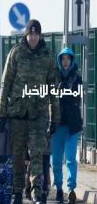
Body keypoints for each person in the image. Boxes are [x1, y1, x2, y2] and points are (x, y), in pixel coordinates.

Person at [0, 19, 60, 204]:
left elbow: (53, 89)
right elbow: (5, 83)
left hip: (39, 113)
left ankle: (36, 191)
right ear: (26, 35)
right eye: (30, 34)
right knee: (18, 154)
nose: (33, 37)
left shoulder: (47, 56)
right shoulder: (16, 53)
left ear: (40, 35)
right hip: (17, 112)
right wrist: (1, 113)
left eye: (36, 34)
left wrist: (55, 117)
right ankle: (17, 192)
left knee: (37, 153)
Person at [51, 47, 83, 204]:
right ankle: (58, 188)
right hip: (56, 125)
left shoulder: (77, 78)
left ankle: (71, 189)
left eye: (68, 59)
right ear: (59, 61)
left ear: (72, 60)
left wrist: (62, 93)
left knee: (70, 159)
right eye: (62, 59)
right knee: (56, 160)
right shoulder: (54, 77)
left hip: (72, 126)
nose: (65, 61)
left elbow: (76, 98)